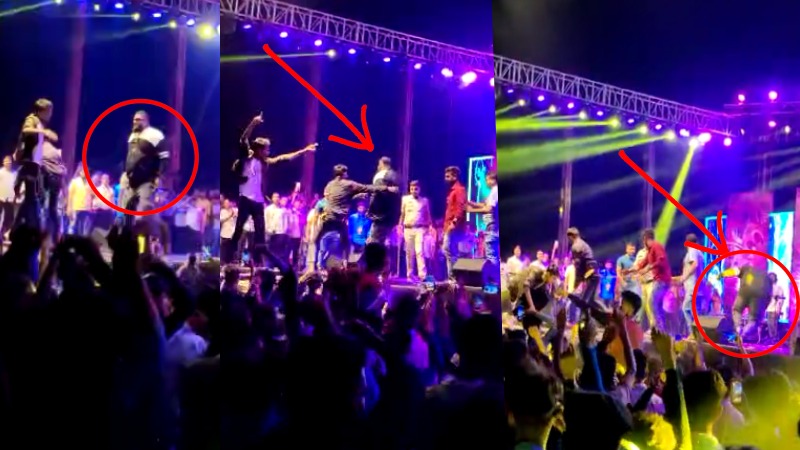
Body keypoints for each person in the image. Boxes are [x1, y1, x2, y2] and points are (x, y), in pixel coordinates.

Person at [225, 113, 316, 266]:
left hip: (258, 201)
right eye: (266, 149)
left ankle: (258, 263)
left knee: (260, 235)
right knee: (239, 230)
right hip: (245, 198)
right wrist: (253, 122)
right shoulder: (248, 156)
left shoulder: (265, 162)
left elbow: (284, 158)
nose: (268, 152)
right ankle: (228, 260)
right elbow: (243, 139)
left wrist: (304, 151)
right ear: (259, 149)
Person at [317, 164, 397, 264]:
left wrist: (356, 196)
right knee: (345, 244)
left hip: (327, 219)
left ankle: (320, 264)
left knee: (324, 243)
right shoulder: (348, 184)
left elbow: (337, 198)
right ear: (343, 173)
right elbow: (367, 188)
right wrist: (387, 188)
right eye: (346, 172)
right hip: (338, 220)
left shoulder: (330, 185)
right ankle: (344, 263)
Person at [118, 110, 168, 254]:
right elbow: (130, 156)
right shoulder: (132, 136)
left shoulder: (155, 135)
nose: (135, 122)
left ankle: (156, 239)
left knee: (143, 214)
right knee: (127, 215)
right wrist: (125, 174)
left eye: (138, 119)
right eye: (134, 119)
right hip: (130, 180)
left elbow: (164, 157)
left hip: (146, 180)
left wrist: (158, 175)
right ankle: (129, 247)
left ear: (146, 120)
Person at [13, 98, 57, 230]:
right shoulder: (32, 118)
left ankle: (16, 228)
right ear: (42, 111)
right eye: (49, 111)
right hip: (29, 164)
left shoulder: (40, 124)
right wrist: (44, 132)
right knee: (31, 198)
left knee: (31, 198)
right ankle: (19, 228)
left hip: (35, 164)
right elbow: (26, 129)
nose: (51, 114)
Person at [398, 180, 432, 280]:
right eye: (412, 189)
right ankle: (410, 274)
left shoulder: (424, 201)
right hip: (408, 228)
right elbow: (402, 214)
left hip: (419, 228)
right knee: (409, 253)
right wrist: (399, 225)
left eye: (416, 189)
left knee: (419, 251)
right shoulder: (405, 199)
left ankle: (422, 275)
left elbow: (428, 214)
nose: (413, 191)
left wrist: (430, 226)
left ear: (419, 189)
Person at [466, 170, 499, 269]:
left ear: (493, 180)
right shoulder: (493, 192)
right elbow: (484, 205)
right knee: (492, 254)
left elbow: (488, 209)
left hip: (492, 225)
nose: (486, 182)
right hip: (491, 226)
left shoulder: (495, 191)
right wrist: (470, 203)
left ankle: (494, 277)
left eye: (487, 180)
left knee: (491, 256)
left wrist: (471, 210)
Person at [366, 156, 401, 245]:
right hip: (390, 215)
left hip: (380, 215)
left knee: (375, 241)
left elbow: (376, 193)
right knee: (383, 241)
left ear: (382, 164)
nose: (377, 166)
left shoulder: (381, 175)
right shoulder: (395, 175)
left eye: (378, 164)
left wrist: (370, 210)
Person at [442, 166, 467, 279]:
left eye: (448, 176)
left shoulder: (459, 190)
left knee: (450, 250)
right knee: (449, 250)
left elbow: (460, 208)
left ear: (455, 176)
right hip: (448, 225)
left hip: (454, 226)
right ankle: (452, 277)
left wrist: (454, 223)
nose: (445, 179)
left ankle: (454, 278)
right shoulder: (451, 191)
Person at [679, 233, 705, 335]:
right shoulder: (699, 252)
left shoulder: (692, 250)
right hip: (697, 286)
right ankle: (698, 333)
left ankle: (693, 333)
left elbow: (694, 264)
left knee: (686, 309)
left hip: (692, 286)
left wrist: (684, 277)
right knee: (695, 311)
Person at [0, 156, 16, 239]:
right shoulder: (1, 172)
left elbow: (15, 186)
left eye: (9, 162)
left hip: (10, 200)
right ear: (3, 163)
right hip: (1, 199)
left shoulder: (14, 173)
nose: (8, 163)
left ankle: (3, 233)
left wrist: (14, 197)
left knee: (9, 218)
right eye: (6, 162)